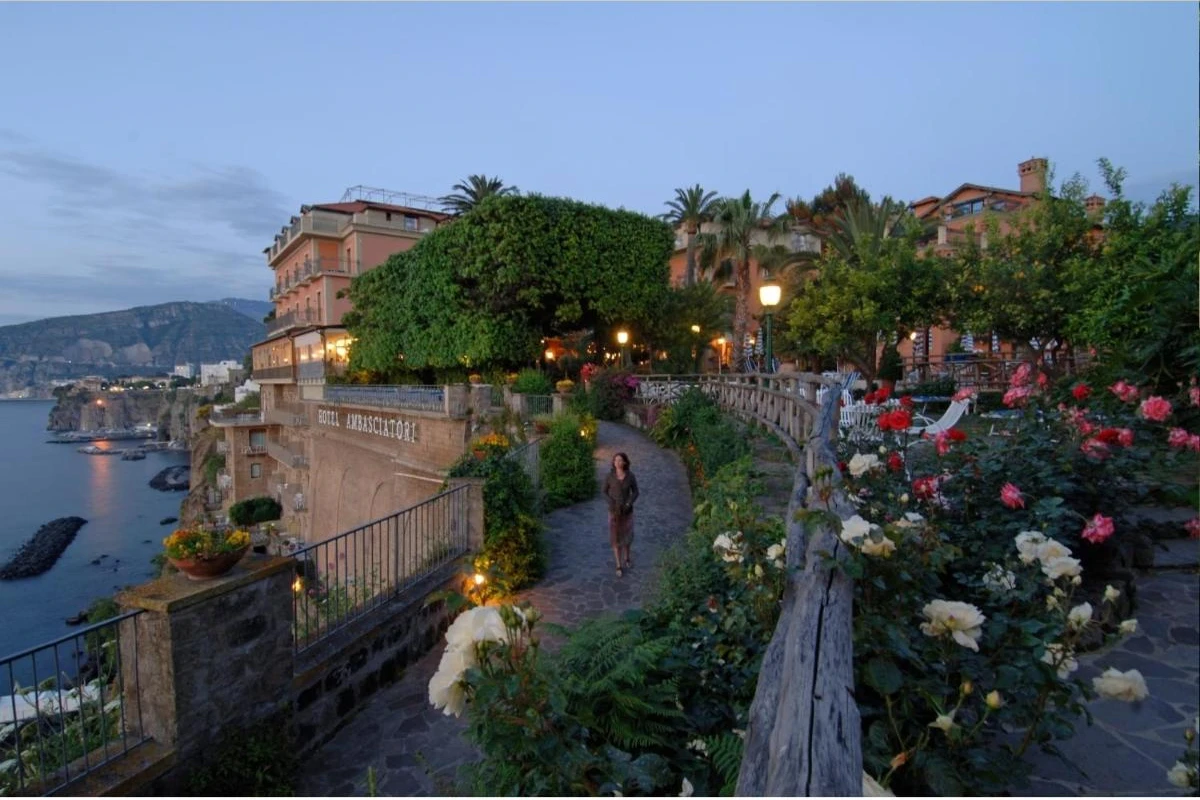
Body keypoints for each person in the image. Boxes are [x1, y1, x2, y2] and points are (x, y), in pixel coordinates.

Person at [603, 451, 639, 577]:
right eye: (615, 460)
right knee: (616, 538)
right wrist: (611, 502)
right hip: (614, 512)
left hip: (627, 512)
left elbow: (635, 492)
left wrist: (629, 503)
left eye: (620, 460)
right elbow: (604, 492)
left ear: (624, 462)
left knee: (627, 537)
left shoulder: (630, 476)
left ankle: (627, 558)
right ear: (613, 463)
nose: (617, 462)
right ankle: (618, 564)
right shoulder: (609, 476)